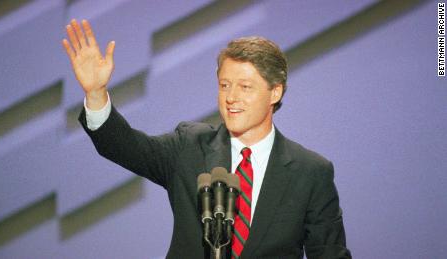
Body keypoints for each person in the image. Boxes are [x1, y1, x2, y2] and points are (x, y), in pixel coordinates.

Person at [63, 19, 351, 259]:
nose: (231, 97)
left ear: (275, 92)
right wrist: (96, 93)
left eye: (245, 87)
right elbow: (123, 146)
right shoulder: (190, 146)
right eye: (224, 85)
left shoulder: (310, 172)